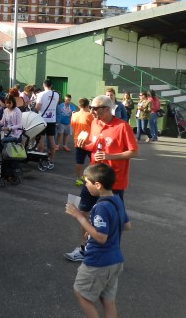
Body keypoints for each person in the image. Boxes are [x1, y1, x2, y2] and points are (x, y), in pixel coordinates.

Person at [64, 95, 138, 263]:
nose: (92, 111)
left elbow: (134, 152)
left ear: (107, 109)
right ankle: (83, 248)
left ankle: (111, 253)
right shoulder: (95, 123)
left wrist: (109, 155)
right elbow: (94, 144)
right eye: (91, 108)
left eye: (95, 109)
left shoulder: (122, 126)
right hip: (92, 178)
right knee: (84, 211)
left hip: (114, 181)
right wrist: (84, 145)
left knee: (117, 219)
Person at [65, 163, 131, 318]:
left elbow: (101, 237)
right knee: (108, 300)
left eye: (87, 182)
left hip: (98, 261)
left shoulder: (100, 207)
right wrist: (92, 231)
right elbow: (126, 225)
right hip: (115, 261)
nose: (85, 186)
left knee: (81, 293)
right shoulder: (117, 200)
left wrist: (79, 216)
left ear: (98, 185)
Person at [35, 79, 60, 167]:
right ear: (51, 85)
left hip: (42, 120)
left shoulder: (41, 94)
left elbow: (37, 107)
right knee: (51, 139)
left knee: (41, 139)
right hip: (52, 120)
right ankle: (51, 159)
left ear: (43, 85)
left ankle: (40, 158)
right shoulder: (56, 94)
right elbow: (55, 105)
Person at [70, 98, 93, 186]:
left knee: (79, 161)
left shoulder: (74, 115)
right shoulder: (90, 115)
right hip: (89, 141)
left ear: (79, 105)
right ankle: (87, 176)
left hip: (78, 141)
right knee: (93, 160)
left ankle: (79, 178)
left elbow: (72, 125)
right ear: (87, 105)